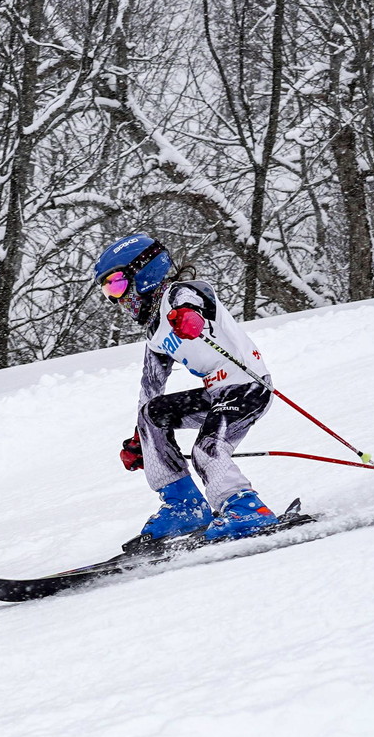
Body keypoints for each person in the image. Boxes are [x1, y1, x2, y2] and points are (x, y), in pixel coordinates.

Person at [93, 233, 280, 544]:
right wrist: (142, 440)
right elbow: (150, 387)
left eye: (117, 284)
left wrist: (190, 315)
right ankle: (184, 506)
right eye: (107, 290)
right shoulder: (155, 331)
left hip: (247, 386)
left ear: (145, 271)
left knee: (207, 450)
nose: (116, 298)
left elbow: (197, 298)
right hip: (216, 392)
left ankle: (247, 509)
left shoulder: (181, 295)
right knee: (151, 414)